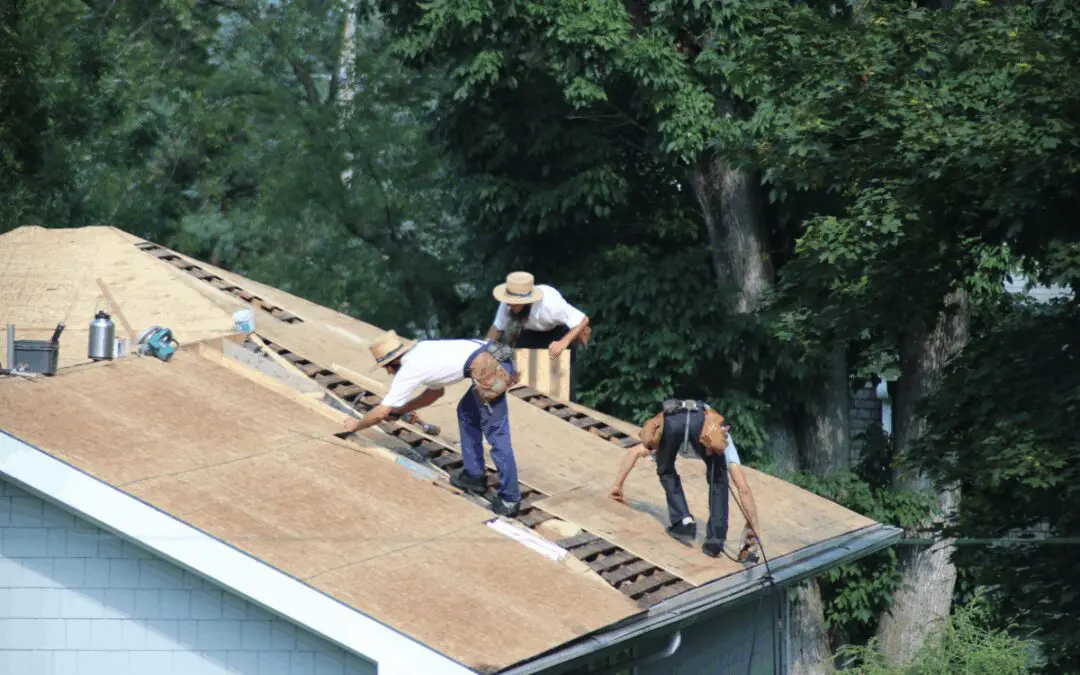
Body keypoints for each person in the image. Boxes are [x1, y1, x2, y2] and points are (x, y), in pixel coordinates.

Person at [342, 330, 523, 516]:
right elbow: (433, 394)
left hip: (492, 368)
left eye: (387, 367)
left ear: (395, 360)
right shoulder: (422, 351)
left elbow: (381, 411)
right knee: (467, 413)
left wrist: (356, 425)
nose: (388, 372)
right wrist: (400, 410)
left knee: (497, 435)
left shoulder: (409, 368)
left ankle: (510, 499)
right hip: (492, 359)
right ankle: (474, 476)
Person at [608, 399, 762, 560]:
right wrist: (755, 528)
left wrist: (617, 487)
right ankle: (715, 542)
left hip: (672, 422)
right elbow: (743, 488)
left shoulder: (663, 427)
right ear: (725, 430)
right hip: (701, 425)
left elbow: (634, 452)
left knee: (666, 470)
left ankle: (683, 520)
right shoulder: (722, 438)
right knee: (718, 481)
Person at [485, 270, 591, 360]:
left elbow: (583, 319)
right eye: (510, 303)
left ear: (528, 301)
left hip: (557, 332)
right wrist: (482, 350)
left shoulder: (551, 305)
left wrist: (563, 342)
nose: (512, 306)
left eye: (517, 304)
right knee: (519, 364)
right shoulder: (506, 304)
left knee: (561, 371)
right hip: (529, 333)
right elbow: (496, 328)